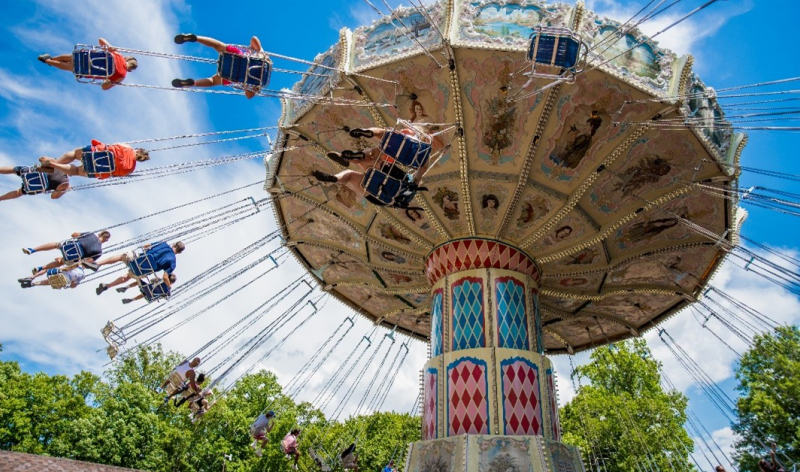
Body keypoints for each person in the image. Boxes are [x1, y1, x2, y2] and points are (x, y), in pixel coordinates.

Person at [171, 34, 264, 99]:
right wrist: (254, 89)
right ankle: (192, 83)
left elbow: (254, 38)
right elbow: (248, 96)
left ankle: (195, 38)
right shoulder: (257, 82)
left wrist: (259, 50)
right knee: (213, 81)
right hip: (235, 76)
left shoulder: (260, 56)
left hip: (238, 57)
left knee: (217, 45)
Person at [38, 38, 137, 90]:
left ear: (127, 58)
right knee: (69, 66)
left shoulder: (117, 54)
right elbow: (104, 87)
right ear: (129, 70)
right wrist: (107, 80)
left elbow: (100, 40)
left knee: (70, 57)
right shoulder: (121, 76)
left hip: (87, 56)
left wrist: (110, 46)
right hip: (87, 70)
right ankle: (47, 61)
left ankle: (50, 58)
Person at [95, 241, 185, 295]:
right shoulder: (173, 262)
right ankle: (108, 286)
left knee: (121, 257)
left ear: (174, 244)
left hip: (137, 260)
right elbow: (165, 277)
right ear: (180, 252)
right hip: (142, 271)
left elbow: (146, 246)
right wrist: (169, 286)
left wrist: (148, 250)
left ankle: (98, 264)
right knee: (128, 277)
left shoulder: (163, 244)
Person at [21, 231, 110, 283]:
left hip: (69, 247)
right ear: (106, 240)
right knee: (60, 263)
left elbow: (74, 235)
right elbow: (86, 262)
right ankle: (40, 268)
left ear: (100, 234)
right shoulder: (99, 251)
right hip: (73, 257)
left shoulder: (91, 234)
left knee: (56, 244)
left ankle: (33, 250)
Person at [38, 141, 150, 179]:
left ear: (138, 150)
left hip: (95, 153)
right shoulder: (130, 169)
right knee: (76, 171)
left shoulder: (127, 147)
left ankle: (54, 163)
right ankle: (54, 166)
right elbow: (115, 175)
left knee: (74, 154)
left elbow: (113, 145)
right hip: (97, 170)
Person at [0, 166, 69, 202]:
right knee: (19, 192)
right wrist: (64, 191)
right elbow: (53, 196)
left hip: (30, 173)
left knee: (14, 170)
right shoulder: (65, 183)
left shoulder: (59, 163)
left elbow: (42, 159)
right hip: (33, 187)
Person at [20, 266, 86, 290]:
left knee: (47, 268)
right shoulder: (82, 274)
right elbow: (73, 285)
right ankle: (33, 284)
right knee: (51, 281)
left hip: (60, 273)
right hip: (63, 280)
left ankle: (31, 277)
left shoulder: (76, 265)